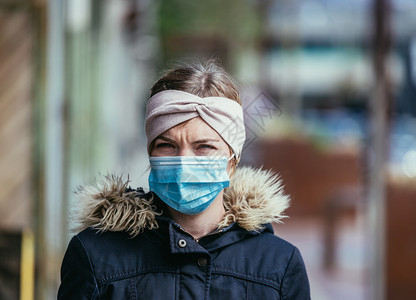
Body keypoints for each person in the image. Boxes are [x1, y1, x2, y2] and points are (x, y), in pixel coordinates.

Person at [58, 60, 310, 299]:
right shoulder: (94, 254)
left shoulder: (279, 264)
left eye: (204, 147)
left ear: (232, 161)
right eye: (167, 145)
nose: (183, 160)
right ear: (150, 154)